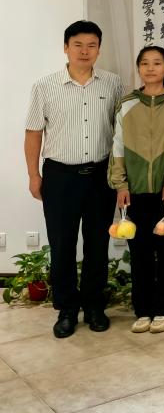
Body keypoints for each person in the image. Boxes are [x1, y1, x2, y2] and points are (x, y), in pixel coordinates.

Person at [25, 21, 124, 338]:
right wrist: (34, 175)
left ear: (99, 49)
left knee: (98, 244)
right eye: (78, 45)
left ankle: (94, 306)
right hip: (59, 176)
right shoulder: (45, 86)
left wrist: (121, 178)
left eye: (91, 45)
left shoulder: (113, 84)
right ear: (66, 47)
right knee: (62, 245)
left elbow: (120, 133)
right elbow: (33, 133)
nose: (85, 51)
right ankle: (67, 309)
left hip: (100, 176)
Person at [108, 46, 164, 334]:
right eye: (145, 63)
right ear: (138, 68)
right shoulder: (127, 103)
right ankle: (142, 309)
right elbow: (117, 146)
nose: (151, 68)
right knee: (140, 253)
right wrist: (120, 184)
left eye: (157, 63)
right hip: (133, 191)